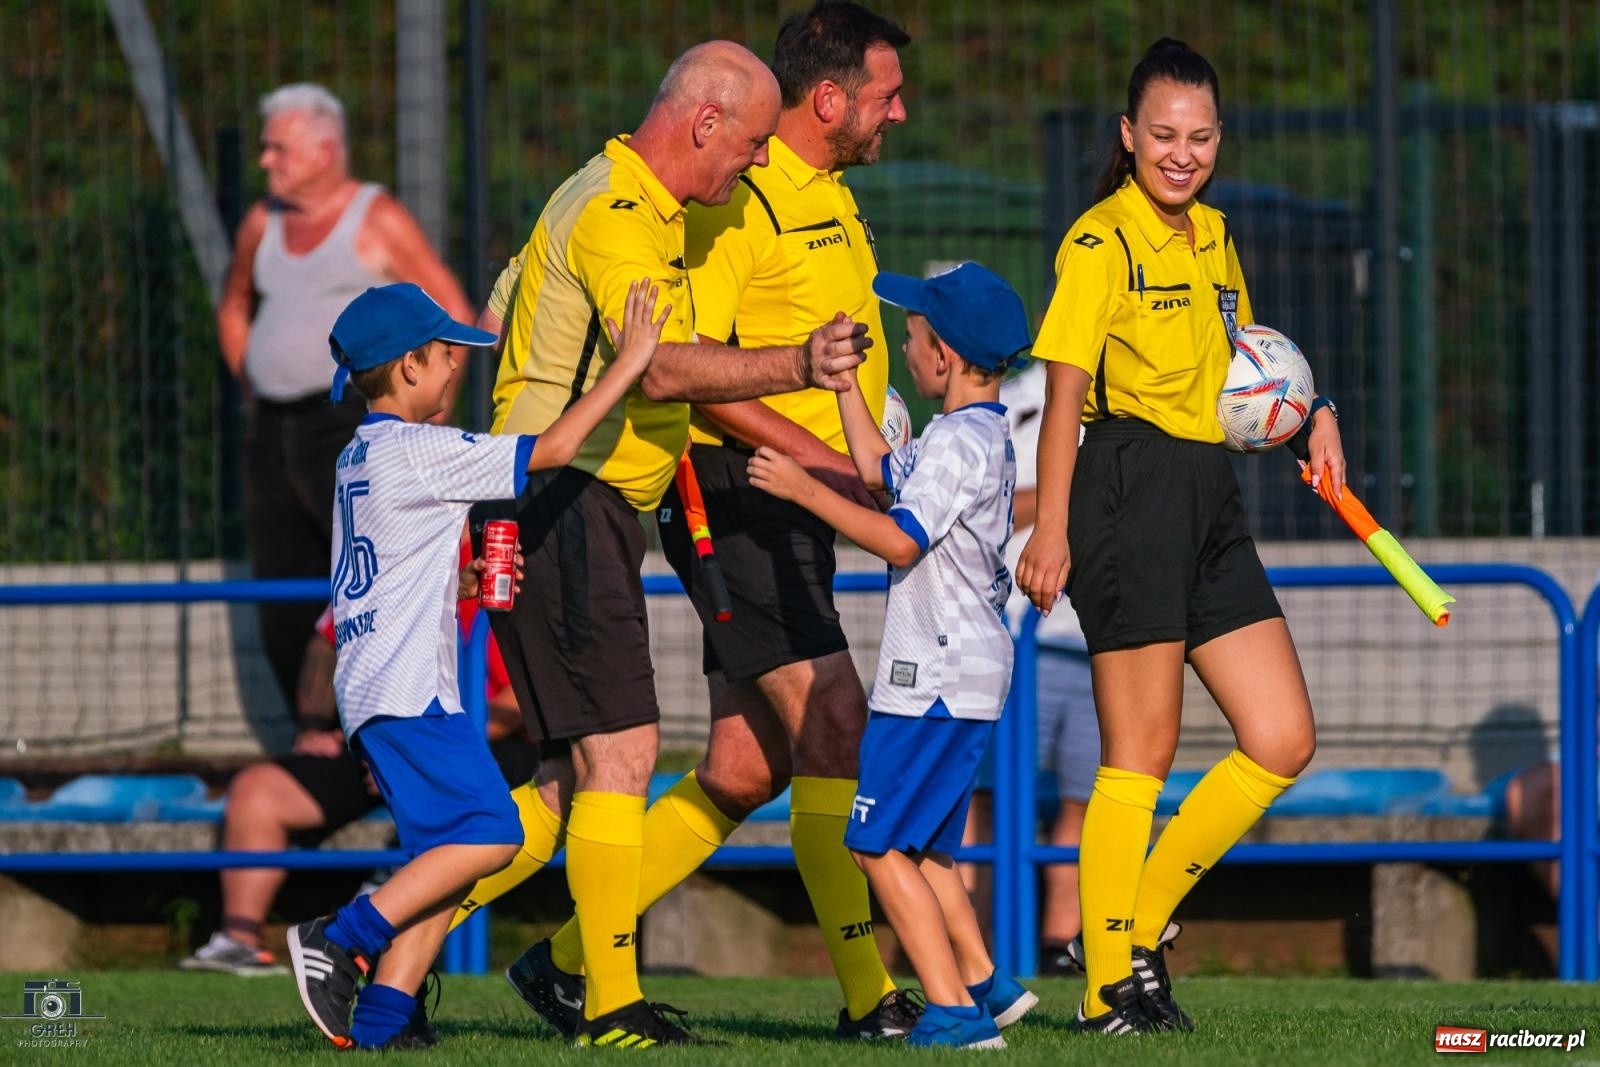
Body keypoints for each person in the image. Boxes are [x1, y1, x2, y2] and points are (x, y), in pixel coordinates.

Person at [485, 3, 919, 1040]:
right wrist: (820, 456)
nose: (898, 115)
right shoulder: (732, 202)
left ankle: (563, 959)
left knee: (741, 764)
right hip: (736, 486)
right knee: (829, 722)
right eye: (887, 95)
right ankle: (874, 999)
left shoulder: (826, 198)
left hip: (778, 491)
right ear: (831, 98)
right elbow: (688, 370)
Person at [1014, 38, 1346, 1035]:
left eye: (1199, 136)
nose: (1180, 152)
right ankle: (1108, 983)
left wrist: (1314, 406)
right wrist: (1053, 530)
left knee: (1283, 736)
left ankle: (1132, 927)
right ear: (1127, 135)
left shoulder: (1213, 235)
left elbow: (1247, 367)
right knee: (1140, 754)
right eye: (1161, 133)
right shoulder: (1096, 242)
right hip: (1126, 484)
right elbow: (1066, 394)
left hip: (1210, 491)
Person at [283, 278, 666, 1051]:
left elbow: (385, 560)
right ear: (408, 367)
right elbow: (552, 451)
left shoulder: (359, 455)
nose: (460, 368)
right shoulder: (420, 449)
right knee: (492, 832)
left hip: (376, 688)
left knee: (444, 859)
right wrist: (631, 364)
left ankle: (389, 1017)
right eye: (448, 355)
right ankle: (340, 935)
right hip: (408, 691)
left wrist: (457, 582)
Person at [747, 261, 1037, 1049]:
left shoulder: (953, 444)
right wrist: (843, 386)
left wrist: (802, 489)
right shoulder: (980, 433)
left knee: (873, 844)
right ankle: (986, 983)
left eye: (911, 336)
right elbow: (881, 475)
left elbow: (898, 534)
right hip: (969, 671)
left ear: (943, 356)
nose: (904, 347)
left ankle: (952, 1012)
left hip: (932, 677)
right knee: (927, 848)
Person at [216, 82, 477, 712]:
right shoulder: (261, 223)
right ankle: (307, 731)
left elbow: (452, 313)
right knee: (280, 583)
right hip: (273, 429)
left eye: (278, 148)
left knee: (366, 576)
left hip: (347, 425)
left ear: (325, 149)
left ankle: (375, 721)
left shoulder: (377, 218)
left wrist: (425, 415)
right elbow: (234, 306)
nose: (265, 161)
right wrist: (253, 384)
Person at [178, 562, 534, 978]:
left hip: (479, 740)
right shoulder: (385, 559)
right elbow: (327, 641)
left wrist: (424, 754)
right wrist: (313, 728)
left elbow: (525, 691)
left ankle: (365, 932)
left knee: (476, 816)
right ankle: (239, 943)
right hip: (384, 736)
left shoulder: (501, 567)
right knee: (259, 790)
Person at [961, 360, 1101, 974]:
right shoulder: (1011, 401)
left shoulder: (1121, 400)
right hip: (1017, 635)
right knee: (984, 798)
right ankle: (966, 939)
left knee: (1084, 801)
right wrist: (1062, 498)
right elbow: (988, 503)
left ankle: (1059, 944)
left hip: (1094, 640)